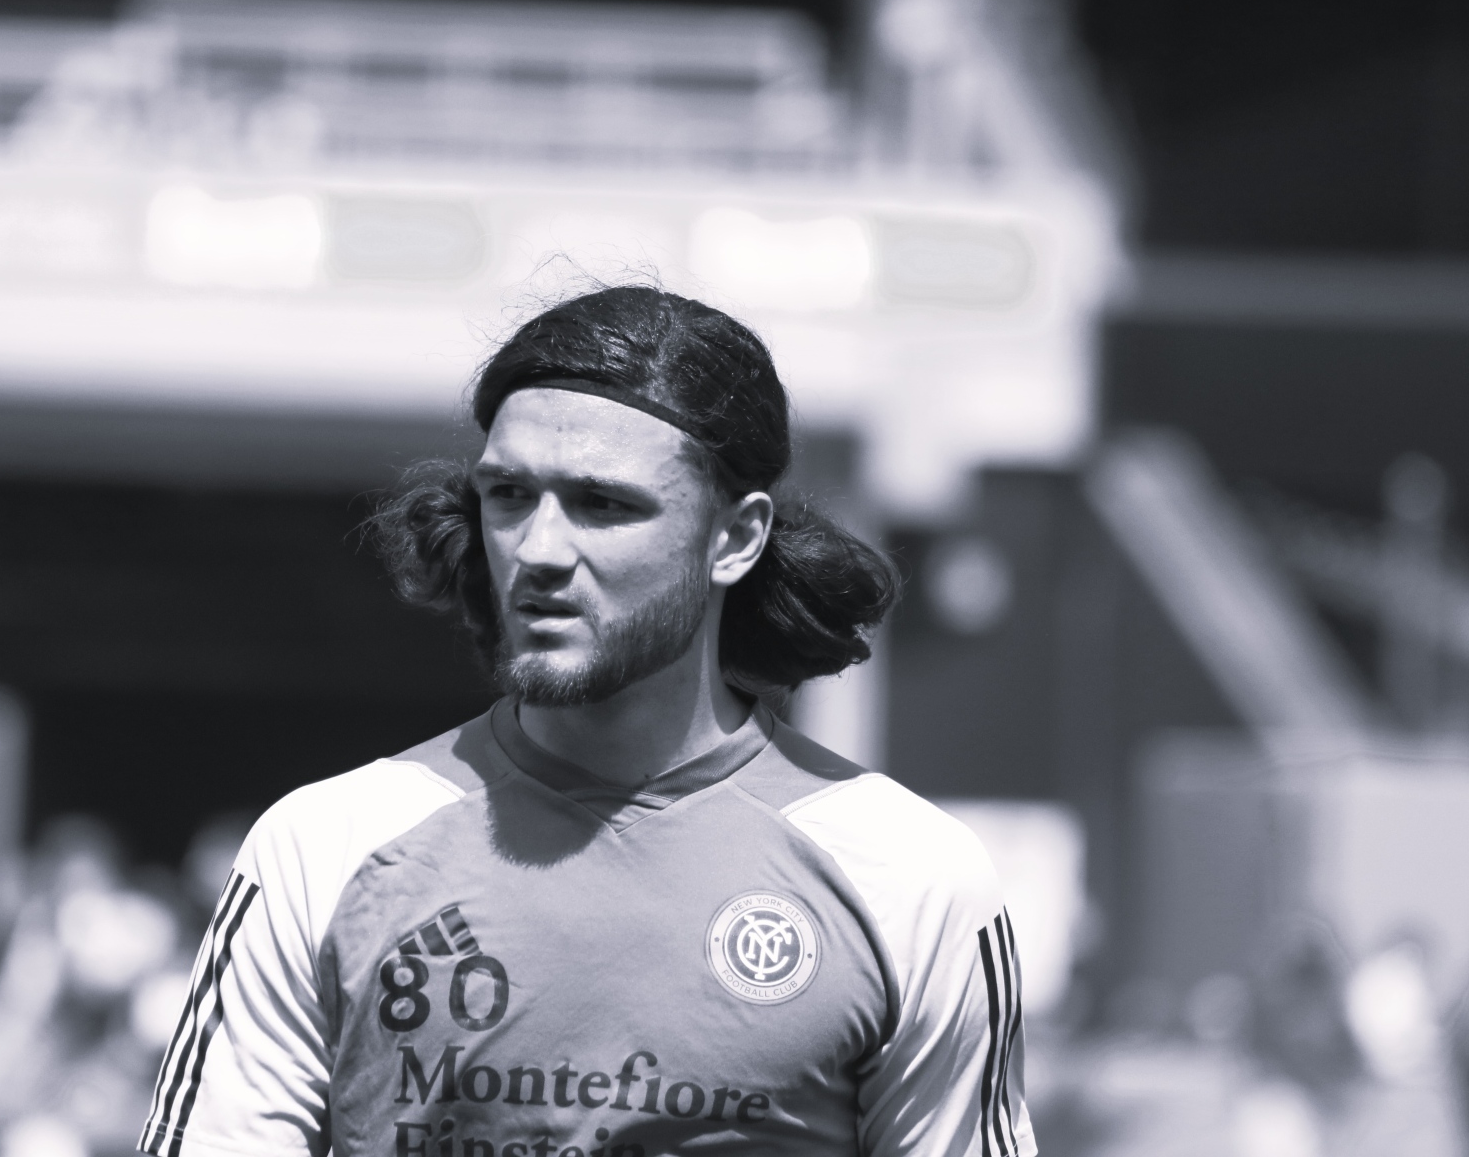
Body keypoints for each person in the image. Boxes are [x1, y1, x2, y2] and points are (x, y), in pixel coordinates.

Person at [138, 286, 1032, 1157]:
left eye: (603, 504)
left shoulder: (909, 876)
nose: (538, 550)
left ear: (735, 538)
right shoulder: (322, 847)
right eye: (509, 495)